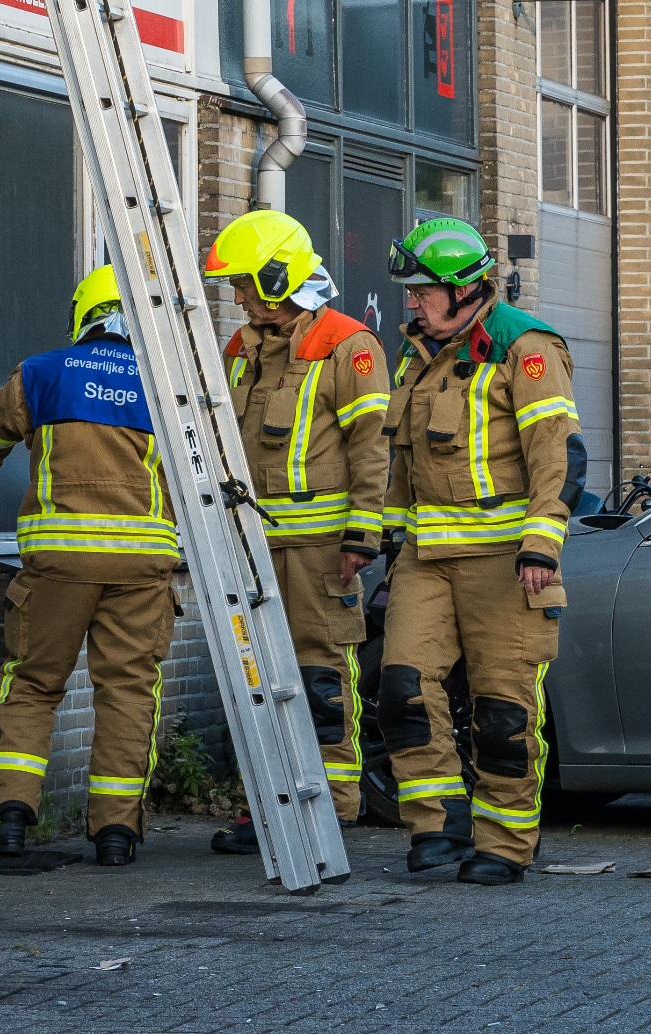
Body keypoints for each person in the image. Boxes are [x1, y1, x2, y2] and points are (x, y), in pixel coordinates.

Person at [0, 265, 180, 868]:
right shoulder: (166, 385)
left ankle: (9, 818)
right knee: (128, 691)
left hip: (58, 563)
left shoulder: (44, 373)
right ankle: (116, 835)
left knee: (31, 684)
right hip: (141, 567)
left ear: (84, 314)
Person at [377, 217, 586, 886]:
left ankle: (506, 841)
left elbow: (558, 456)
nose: (412, 302)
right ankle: (436, 827)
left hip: (506, 563)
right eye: (410, 292)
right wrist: (379, 536)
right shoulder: (417, 354)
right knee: (402, 689)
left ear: (464, 290)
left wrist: (541, 545)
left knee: (503, 709)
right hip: (426, 557)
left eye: (421, 291)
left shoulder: (523, 348)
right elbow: (399, 465)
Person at [199, 210, 391, 854]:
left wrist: (362, 537)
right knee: (257, 678)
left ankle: (335, 804)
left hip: (319, 554)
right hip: (250, 546)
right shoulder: (239, 347)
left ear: (280, 277)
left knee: (320, 675)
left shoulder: (348, 345)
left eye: (246, 286)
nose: (239, 299)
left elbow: (372, 449)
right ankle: (269, 807)